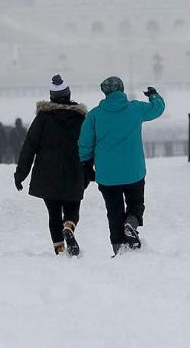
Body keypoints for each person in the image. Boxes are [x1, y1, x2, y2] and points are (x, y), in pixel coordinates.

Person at [78, 76, 164, 255]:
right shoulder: (135, 109)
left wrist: (86, 164)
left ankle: (118, 248)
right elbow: (158, 109)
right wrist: (154, 95)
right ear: (122, 90)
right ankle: (131, 223)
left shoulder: (94, 115)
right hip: (134, 171)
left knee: (114, 211)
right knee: (136, 203)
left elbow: (85, 142)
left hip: (107, 175)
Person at [14, 75, 94, 256]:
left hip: (47, 173)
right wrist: (90, 170)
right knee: (73, 209)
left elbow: (29, 146)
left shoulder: (43, 118)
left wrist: (21, 174)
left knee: (53, 214)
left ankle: (59, 249)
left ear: (51, 97)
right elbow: (90, 146)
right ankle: (69, 225)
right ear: (68, 94)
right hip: (74, 171)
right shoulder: (81, 118)